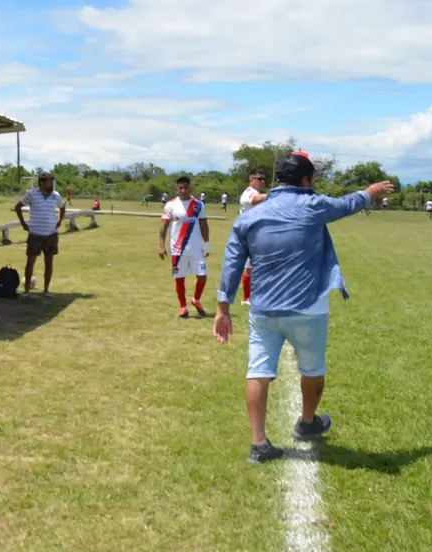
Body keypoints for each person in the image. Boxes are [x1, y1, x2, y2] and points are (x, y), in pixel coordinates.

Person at [213, 151, 395, 464]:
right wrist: (370, 192)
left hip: (263, 309)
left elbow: (232, 265)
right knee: (312, 369)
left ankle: (258, 444)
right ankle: (307, 422)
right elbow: (347, 204)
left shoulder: (248, 217)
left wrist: (222, 309)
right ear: (306, 181)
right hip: (308, 308)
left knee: (258, 371)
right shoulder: (313, 206)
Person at [159, 176, 210, 318]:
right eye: (180, 188)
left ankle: (196, 299)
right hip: (177, 249)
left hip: (196, 248)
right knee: (179, 278)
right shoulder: (171, 205)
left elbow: (204, 225)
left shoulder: (198, 205)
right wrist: (161, 245)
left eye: (185, 188)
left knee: (202, 276)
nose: (182, 190)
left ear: (190, 188)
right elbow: (163, 227)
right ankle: (183, 308)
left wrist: (207, 243)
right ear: (177, 189)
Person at [14, 171, 65, 297]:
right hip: (35, 234)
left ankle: (46, 290)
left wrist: (59, 221)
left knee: (49, 262)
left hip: (51, 235)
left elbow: (62, 207)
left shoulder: (56, 195)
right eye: (49, 183)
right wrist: (23, 224)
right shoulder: (32, 194)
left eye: (52, 182)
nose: (51, 185)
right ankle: (26, 291)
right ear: (42, 183)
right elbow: (18, 207)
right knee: (30, 262)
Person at [238, 169, 269, 305]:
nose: (263, 181)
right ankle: (246, 298)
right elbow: (254, 200)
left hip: (257, 234)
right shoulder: (249, 193)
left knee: (254, 267)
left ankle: (252, 296)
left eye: (264, 179)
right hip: (250, 235)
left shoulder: (256, 193)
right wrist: (275, 194)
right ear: (251, 180)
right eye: (259, 179)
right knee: (250, 267)